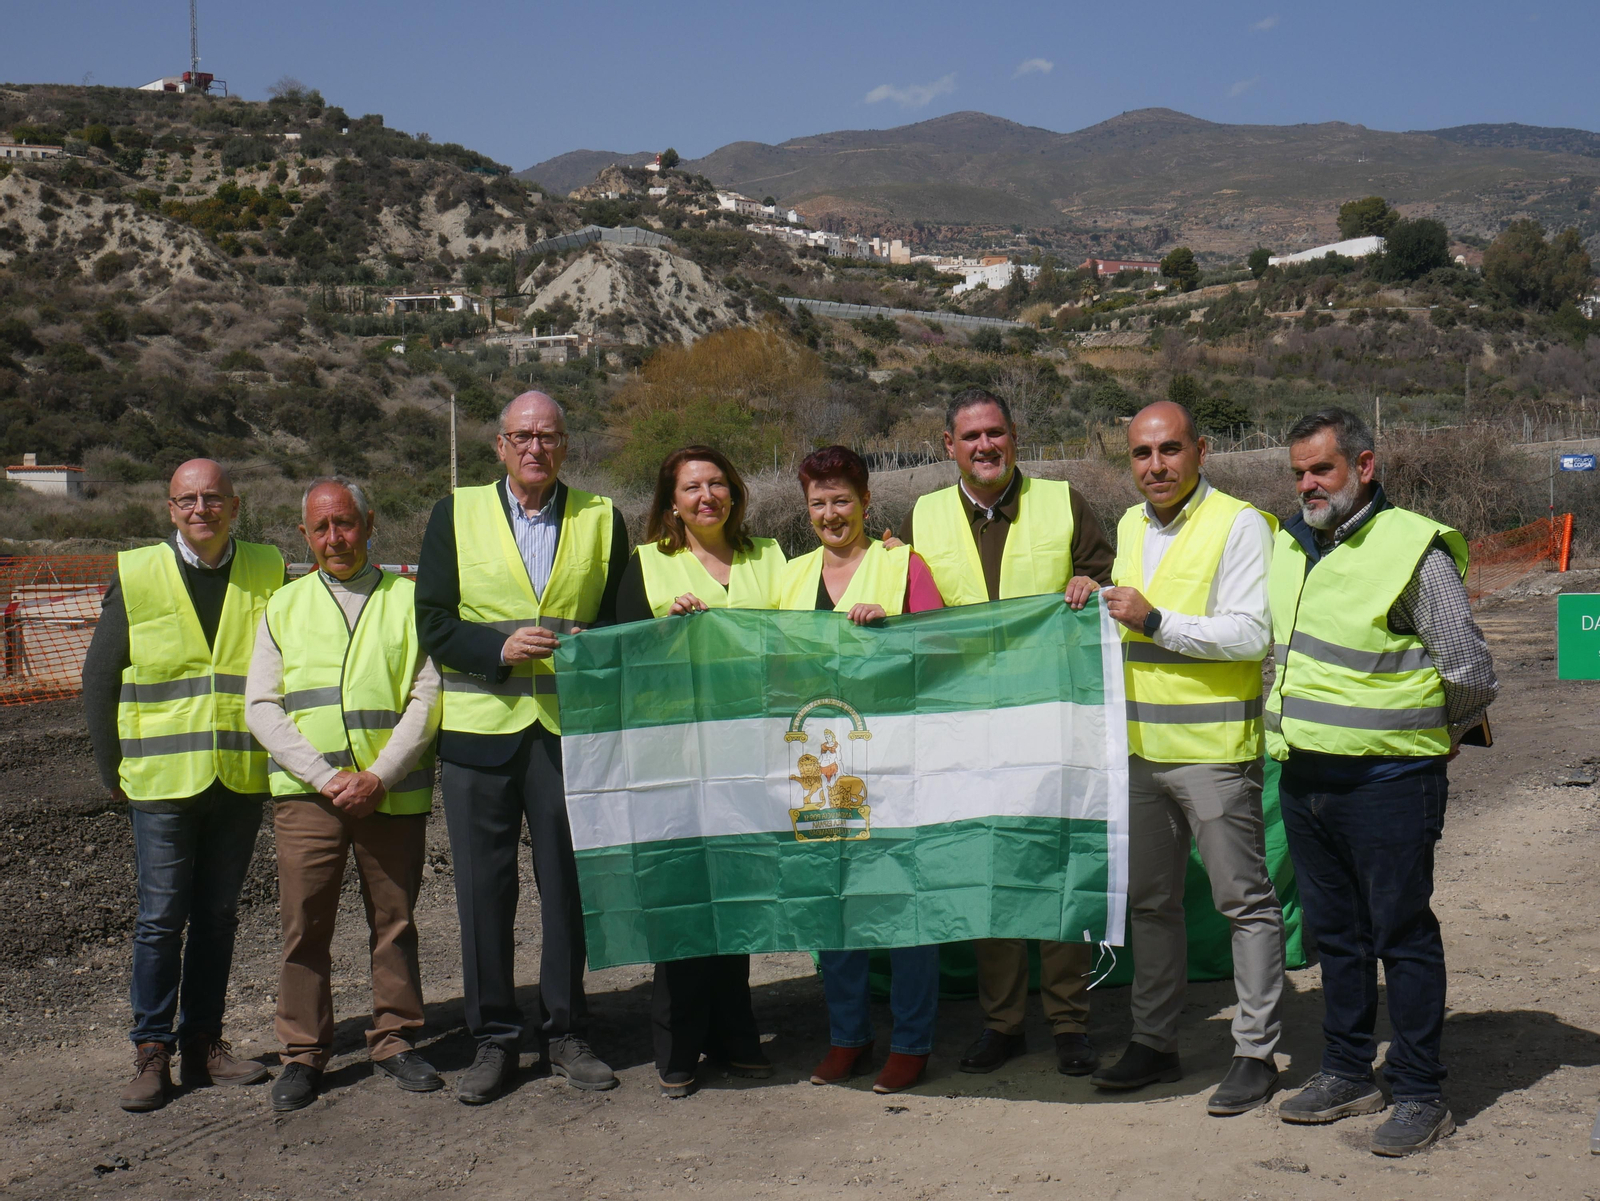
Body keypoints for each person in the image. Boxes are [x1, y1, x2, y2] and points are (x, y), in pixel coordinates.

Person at [1268, 408, 1497, 1156]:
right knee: (1336, 935)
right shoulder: (1290, 542)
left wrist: (1440, 740)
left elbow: (1467, 668)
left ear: (1364, 466)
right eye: (1299, 472)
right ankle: (1345, 1070)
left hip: (1390, 782)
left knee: (1401, 934)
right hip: (1305, 776)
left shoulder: (1412, 548)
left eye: (1322, 469)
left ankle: (1421, 1091)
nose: (1308, 484)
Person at [1066, 402, 1286, 1114]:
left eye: (1169, 450)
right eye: (1142, 453)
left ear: (1201, 450)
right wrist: (1092, 598)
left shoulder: (1240, 524)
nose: (1155, 465)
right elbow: (1122, 620)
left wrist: (1156, 620)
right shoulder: (1130, 525)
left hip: (1214, 753)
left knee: (1245, 904)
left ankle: (1255, 1052)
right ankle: (1154, 1042)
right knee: (1151, 905)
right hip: (1140, 753)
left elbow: (1251, 633)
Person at [415, 391, 629, 1104]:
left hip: (568, 734)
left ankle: (566, 1031)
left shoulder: (602, 518)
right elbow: (432, 621)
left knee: (566, 887)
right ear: (500, 445)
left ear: (566, 445)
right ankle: (495, 1039)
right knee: (484, 892)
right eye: (523, 436)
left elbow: (623, 622)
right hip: (480, 732)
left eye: (549, 436)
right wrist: (497, 649)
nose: (536, 447)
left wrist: (594, 646)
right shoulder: (455, 513)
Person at [900, 388, 1115, 1078]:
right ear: (949, 446)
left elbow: (1104, 579)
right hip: (967, 729)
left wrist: (1087, 585)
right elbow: (909, 602)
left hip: (1053, 721)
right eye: (970, 436)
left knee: (1056, 867)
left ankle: (1069, 1021)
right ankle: (1003, 1023)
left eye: (995, 432)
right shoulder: (923, 514)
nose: (984, 446)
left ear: (1015, 435)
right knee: (989, 872)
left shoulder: (1063, 501)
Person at [81, 459, 284, 1112]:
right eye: (188, 499)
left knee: (219, 916)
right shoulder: (138, 573)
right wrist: (111, 768)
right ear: (171, 508)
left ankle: (203, 1043)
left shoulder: (269, 568)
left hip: (239, 775)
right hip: (162, 779)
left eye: (213, 498)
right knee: (161, 918)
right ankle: (151, 1050)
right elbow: (99, 676)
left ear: (235, 506)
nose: (202, 509)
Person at [245, 479, 443, 1112]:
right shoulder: (283, 606)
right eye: (322, 527)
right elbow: (261, 705)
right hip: (309, 797)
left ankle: (395, 1039)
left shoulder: (410, 601)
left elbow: (428, 695)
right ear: (304, 534)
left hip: (391, 794)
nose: (335, 538)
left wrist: (379, 775)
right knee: (303, 926)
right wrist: (326, 776)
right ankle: (303, 1052)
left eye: (346, 523)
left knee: (395, 921)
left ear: (369, 523)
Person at [615, 445, 787, 1098]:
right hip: (675, 758)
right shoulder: (645, 564)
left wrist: (884, 552)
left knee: (738, 897)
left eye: (717, 483)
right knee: (684, 895)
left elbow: (805, 629)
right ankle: (678, 1043)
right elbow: (620, 656)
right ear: (671, 502)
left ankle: (737, 1033)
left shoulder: (769, 556)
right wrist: (663, 630)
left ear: (735, 493)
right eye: (691, 487)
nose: (706, 496)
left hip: (751, 755)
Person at [781, 445, 945, 1096]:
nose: (831, 513)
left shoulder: (904, 564)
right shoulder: (790, 576)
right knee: (835, 903)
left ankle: (911, 1041)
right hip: (821, 767)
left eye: (842, 500)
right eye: (818, 502)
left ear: (866, 501)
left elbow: (944, 653)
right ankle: (848, 1034)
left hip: (897, 761)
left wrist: (894, 630)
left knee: (904, 902)